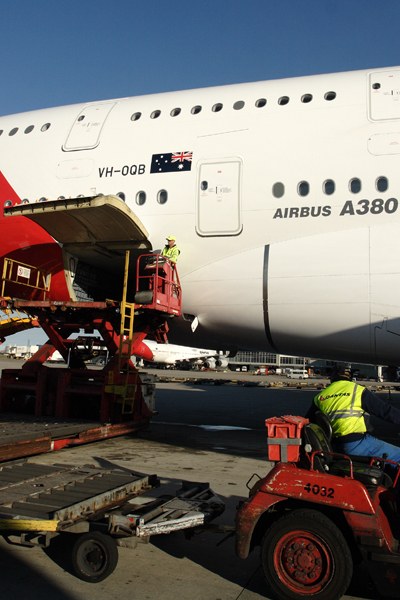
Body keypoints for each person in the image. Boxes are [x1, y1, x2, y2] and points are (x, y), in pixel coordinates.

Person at [306, 365, 400, 465]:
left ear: (332, 377)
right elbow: (386, 411)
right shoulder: (358, 391)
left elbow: (308, 423)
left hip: (332, 446)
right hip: (356, 443)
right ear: (349, 377)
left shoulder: (320, 396)